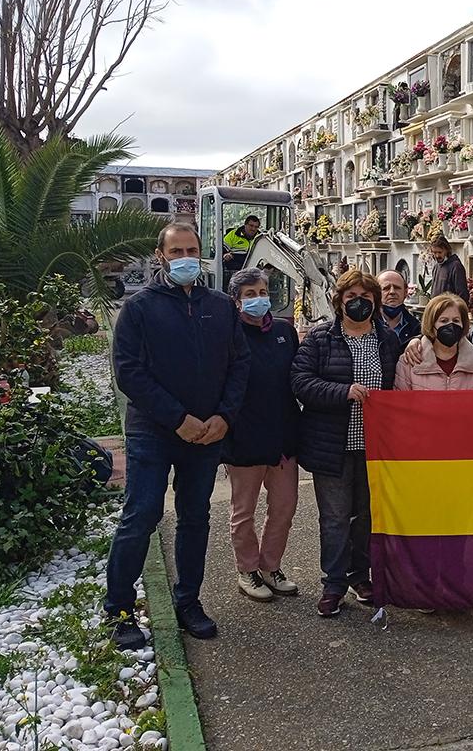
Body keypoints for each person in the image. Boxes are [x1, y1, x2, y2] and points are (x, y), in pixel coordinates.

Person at [106, 223, 251, 648]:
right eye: (176, 251)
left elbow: (239, 365)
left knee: (195, 518)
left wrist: (224, 416)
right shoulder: (139, 308)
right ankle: (119, 609)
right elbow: (129, 372)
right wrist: (177, 418)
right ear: (161, 255)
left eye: (191, 249)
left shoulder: (221, 306)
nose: (184, 257)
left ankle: (188, 601)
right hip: (154, 431)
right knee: (142, 515)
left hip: (208, 433)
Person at [291, 269, 400, 618]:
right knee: (336, 517)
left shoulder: (387, 338)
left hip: (375, 447)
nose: (359, 303)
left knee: (367, 517)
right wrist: (342, 392)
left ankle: (360, 576)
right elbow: (300, 380)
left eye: (366, 298)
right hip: (332, 445)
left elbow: (399, 382)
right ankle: (333, 583)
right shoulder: (321, 338)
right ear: (339, 302)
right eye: (351, 298)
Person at [223, 268, 303, 603]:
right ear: (237, 301)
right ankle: (247, 569)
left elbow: (299, 377)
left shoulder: (284, 331)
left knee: (284, 507)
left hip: (283, 437)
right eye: (250, 294)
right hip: (244, 439)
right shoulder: (228, 336)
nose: (258, 299)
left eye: (262, 292)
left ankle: (271, 566)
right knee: (244, 511)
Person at [395, 293, 473, 390]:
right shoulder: (408, 363)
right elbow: (400, 404)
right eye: (443, 321)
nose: (451, 325)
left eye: (456, 320)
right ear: (431, 325)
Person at [377, 270, 420, 346]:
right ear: (376, 293)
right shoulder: (368, 327)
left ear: (406, 292)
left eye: (397, 288)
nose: (392, 292)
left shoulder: (417, 328)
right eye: (386, 288)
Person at [428, 235, 467, 300]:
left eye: (440, 252)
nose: (437, 256)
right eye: (434, 252)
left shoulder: (456, 266)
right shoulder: (436, 266)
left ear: (446, 250)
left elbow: (462, 294)